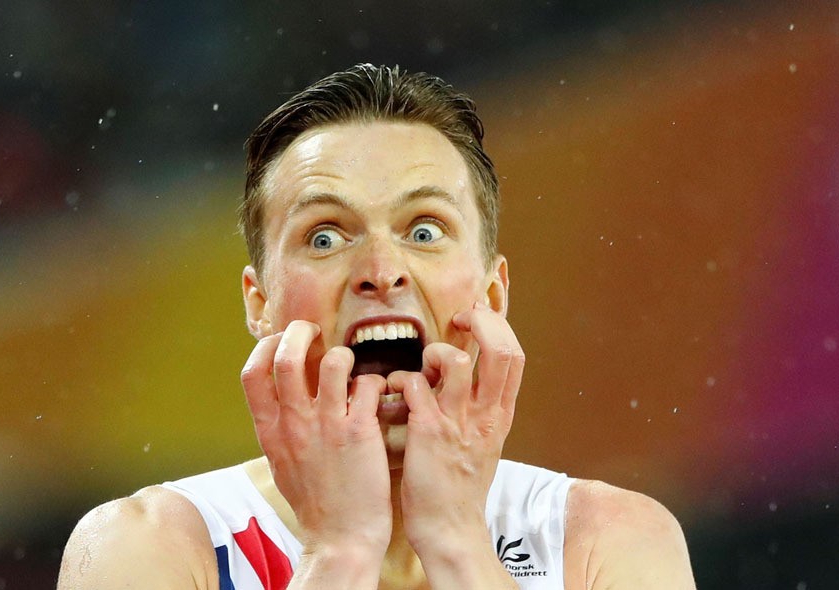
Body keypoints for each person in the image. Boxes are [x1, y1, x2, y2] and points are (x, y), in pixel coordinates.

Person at [57, 63, 696, 589]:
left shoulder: (609, 540)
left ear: (493, 292)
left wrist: (457, 544)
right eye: (326, 236)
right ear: (259, 303)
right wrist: (340, 553)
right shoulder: (145, 547)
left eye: (424, 230)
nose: (381, 270)